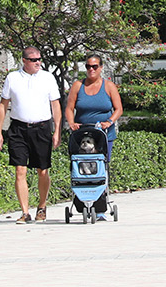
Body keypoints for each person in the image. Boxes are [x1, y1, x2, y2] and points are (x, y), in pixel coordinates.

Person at [0, 47, 63, 224]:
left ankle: (42, 206)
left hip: (41, 128)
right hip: (18, 129)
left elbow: (55, 105)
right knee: (20, 170)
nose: (38, 62)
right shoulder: (13, 78)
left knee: (42, 170)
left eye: (39, 59)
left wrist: (57, 131)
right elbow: (3, 105)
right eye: (33, 60)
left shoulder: (47, 78)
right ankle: (25, 212)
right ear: (24, 61)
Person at [63, 54, 122, 220]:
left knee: (101, 167)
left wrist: (109, 121)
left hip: (103, 134)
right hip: (82, 133)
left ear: (101, 68)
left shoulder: (109, 86)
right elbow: (69, 108)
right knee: (80, 166)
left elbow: (118, 109)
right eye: (88, 66)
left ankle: (101, 206)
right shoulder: (77, 86)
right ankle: (81, 200)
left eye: (95, 66)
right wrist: (71, 123)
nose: (91, 69)